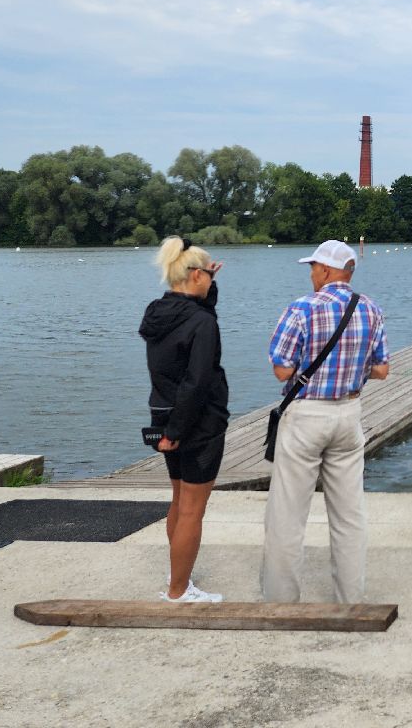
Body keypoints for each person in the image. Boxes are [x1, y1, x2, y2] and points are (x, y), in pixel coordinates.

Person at [261, 239, 389, 603]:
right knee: (349, 516)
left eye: (314, 267)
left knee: (287, 515)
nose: (311, 273)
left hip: (306, 416)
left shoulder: (301, 308)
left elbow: (281, 369)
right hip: (348, 415)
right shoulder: (370, 309)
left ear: (328, 271)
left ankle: (281, 602)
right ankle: (350, 600)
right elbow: (382, 368)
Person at [139, 235, 229, 604]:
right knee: (193, 508)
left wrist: (169, 430)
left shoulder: (158, 312)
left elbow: (202, 309)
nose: (211, 278)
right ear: (194, 275)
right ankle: (178, 591)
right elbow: (197, 381)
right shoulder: (201, 323)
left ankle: (177, 571)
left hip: (161, 414)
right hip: (197, 423)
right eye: (208, 273)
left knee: (178, 499)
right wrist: (178, 431)